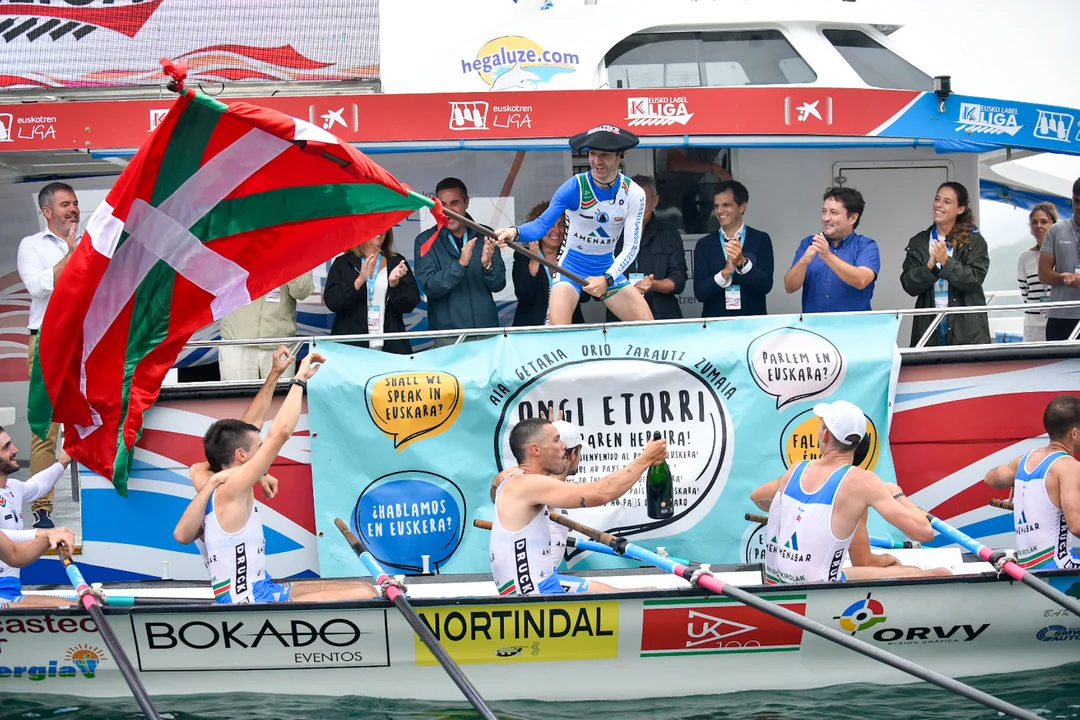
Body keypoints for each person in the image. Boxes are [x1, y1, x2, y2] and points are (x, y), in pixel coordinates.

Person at [184, 350, 378, 603]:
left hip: (262, 587)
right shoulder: (232, 488)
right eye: (259, 448)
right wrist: (299, 380)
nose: (262, 452)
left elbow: (243, 434)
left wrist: (275, 374)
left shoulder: (210, 480)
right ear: (241, 456)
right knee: (366, 593)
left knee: (366, 587)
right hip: (249, 603)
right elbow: (281, 432)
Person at [750, 400, 939, 584]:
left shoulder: (796, 470)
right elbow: (924, 532)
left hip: (777, 581)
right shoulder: (863, 482)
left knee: (904, 571)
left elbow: (757, 498)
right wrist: (898, 495)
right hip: (822, 587)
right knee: (931, 572)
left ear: (825, 435)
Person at [493, 125, 653, 325]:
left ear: (621, 156)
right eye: (592, 153)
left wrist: (607, 278)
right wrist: (514, 232)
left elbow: (631, 247)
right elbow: (542, 225)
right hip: (570, 267)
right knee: (560, 331)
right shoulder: (573, 187)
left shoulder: (634, 193)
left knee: (648, 326)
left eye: (604, 155)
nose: (597, 161)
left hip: (607, 267)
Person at [490, 417, 667, 595]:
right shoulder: (527, 484)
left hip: (545, 583)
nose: (564, 446)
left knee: (639, 591)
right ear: (536, 449)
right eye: (556, 440)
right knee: (638, 598)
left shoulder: (521, 483)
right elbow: (601, 493)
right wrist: (646, 459)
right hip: (534, 597)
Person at [15, 182, 81, 528]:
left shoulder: (92, 241)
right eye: (65, 204)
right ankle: (42, 507)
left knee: (97, 416)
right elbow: (37, 287)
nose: (73, 209)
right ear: (47, 211)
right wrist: (71, 254)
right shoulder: (32, 245)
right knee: (46, 426)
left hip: (87, 339)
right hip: (47, 341)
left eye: (75, 203)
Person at [983, 394, 1080, 569]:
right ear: (1074, 433)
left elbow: (990, 479)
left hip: (1028, 568)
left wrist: (1015, 480)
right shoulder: (1069, 466)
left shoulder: (1023, 461)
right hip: (1059, 565)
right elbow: (1077, 525)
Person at [414, 178, 506, 348]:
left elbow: (499, 284)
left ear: (466, 203)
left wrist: (488, 266)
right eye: (443, 205)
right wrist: (460, 264)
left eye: (455, 203)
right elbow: (430, 287)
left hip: (486, 332)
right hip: (448, 336)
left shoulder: (485, 234)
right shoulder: (425, 240)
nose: (449, 210)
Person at [900, 182, 990, 347]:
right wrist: (929, 268)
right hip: (929, 324)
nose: (938, 205)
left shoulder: (974, 241)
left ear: (960, 209)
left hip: (965, 327)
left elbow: (974, 280)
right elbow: (909, 285)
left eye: (947, 201)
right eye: (937, 199)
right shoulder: (919, 241)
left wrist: (946, 261)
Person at [0, 426, 77, 606]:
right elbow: (6, 539)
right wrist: (43, 534)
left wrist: (63, 461)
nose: (15, 450)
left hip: (9, 592)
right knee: (73, 607)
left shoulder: (13, 488)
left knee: (77, 604)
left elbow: (38, 485)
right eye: (6, 447)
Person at [323, 228, 420, 354]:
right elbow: (332, 302)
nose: (380, 230)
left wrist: (394, 284)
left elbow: (410, 303)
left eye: (383, 226)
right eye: (374, 226)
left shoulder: (397, 262)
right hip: (351, 350)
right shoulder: (343, 263)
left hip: (391, 349)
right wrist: (358, 281)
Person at [784, 187, 880, 314]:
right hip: (814, 324)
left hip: (854, 325)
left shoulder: (866, 245)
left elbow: (862, 280)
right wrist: (803, 262)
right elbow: (790, 287)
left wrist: (828, 256)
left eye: (833, 213)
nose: (825, 218)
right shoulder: (809, 243)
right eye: (824, 211)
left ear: (852, 218)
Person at [605, 175, 687, 322]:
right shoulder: (611, 234)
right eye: (633, 202)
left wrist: (653, 284)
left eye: (643, 201)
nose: (638, 207)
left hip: (662, 317)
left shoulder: (669, 234)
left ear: (655, 201)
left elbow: (678, 281)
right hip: (622, 317)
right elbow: (600, 279)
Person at [693, 180, 774, 318]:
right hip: (716, 324)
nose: (720, 211)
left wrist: (743, 263)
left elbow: (766, 285)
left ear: (742, 207)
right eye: (716, 206)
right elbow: (700, 293)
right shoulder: (705, 244)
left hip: (752, 323)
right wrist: (724, 273)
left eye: (726, 205)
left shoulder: (760, 239)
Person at [218, 272, 314, 381]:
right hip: (237, 341)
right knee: (237, 392)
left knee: (279, 392)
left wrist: (289, 263)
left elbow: (303, 292)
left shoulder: (294, 259)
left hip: (279, 342)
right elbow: (215, 278)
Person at [511, 201, 585, 326]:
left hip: (567, 329)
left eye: (561, 225)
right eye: (550, 225)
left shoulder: (572, 257)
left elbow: (585, 297)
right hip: (532, 331)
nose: (556, 230)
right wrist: (535, 260)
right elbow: (524, 295)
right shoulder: (523, 256)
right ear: (538, 228)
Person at [1038, 178, 1080, 342]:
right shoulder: (1056, 230)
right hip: (1061, 315)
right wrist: (1064, 279)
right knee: (1057, 358)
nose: (1079, 206)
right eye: (1076, 201)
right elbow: (1044, 274)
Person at [1018, 202, 1059, 342]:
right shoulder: (1024, 258)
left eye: (1044, 222)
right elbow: (1025, 292)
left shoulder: (1064, 253)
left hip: (1058, 322)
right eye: (1034, 222)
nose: (1039, 226)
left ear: (1054, 225)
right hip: (1033, 325)